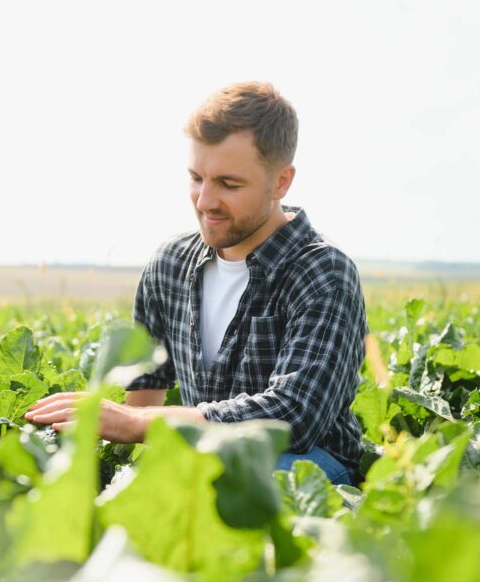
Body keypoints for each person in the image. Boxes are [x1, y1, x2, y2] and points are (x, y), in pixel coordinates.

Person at [24, 81, 367, 486]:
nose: (204, 201)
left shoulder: (323, 272)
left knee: (226, 480)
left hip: (306, 466)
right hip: (199, 462)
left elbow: (293, 418)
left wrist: (136, 423)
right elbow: (143, 392)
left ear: (281, 182)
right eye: (196, 178)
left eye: (228, 183)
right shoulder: (170, 264)